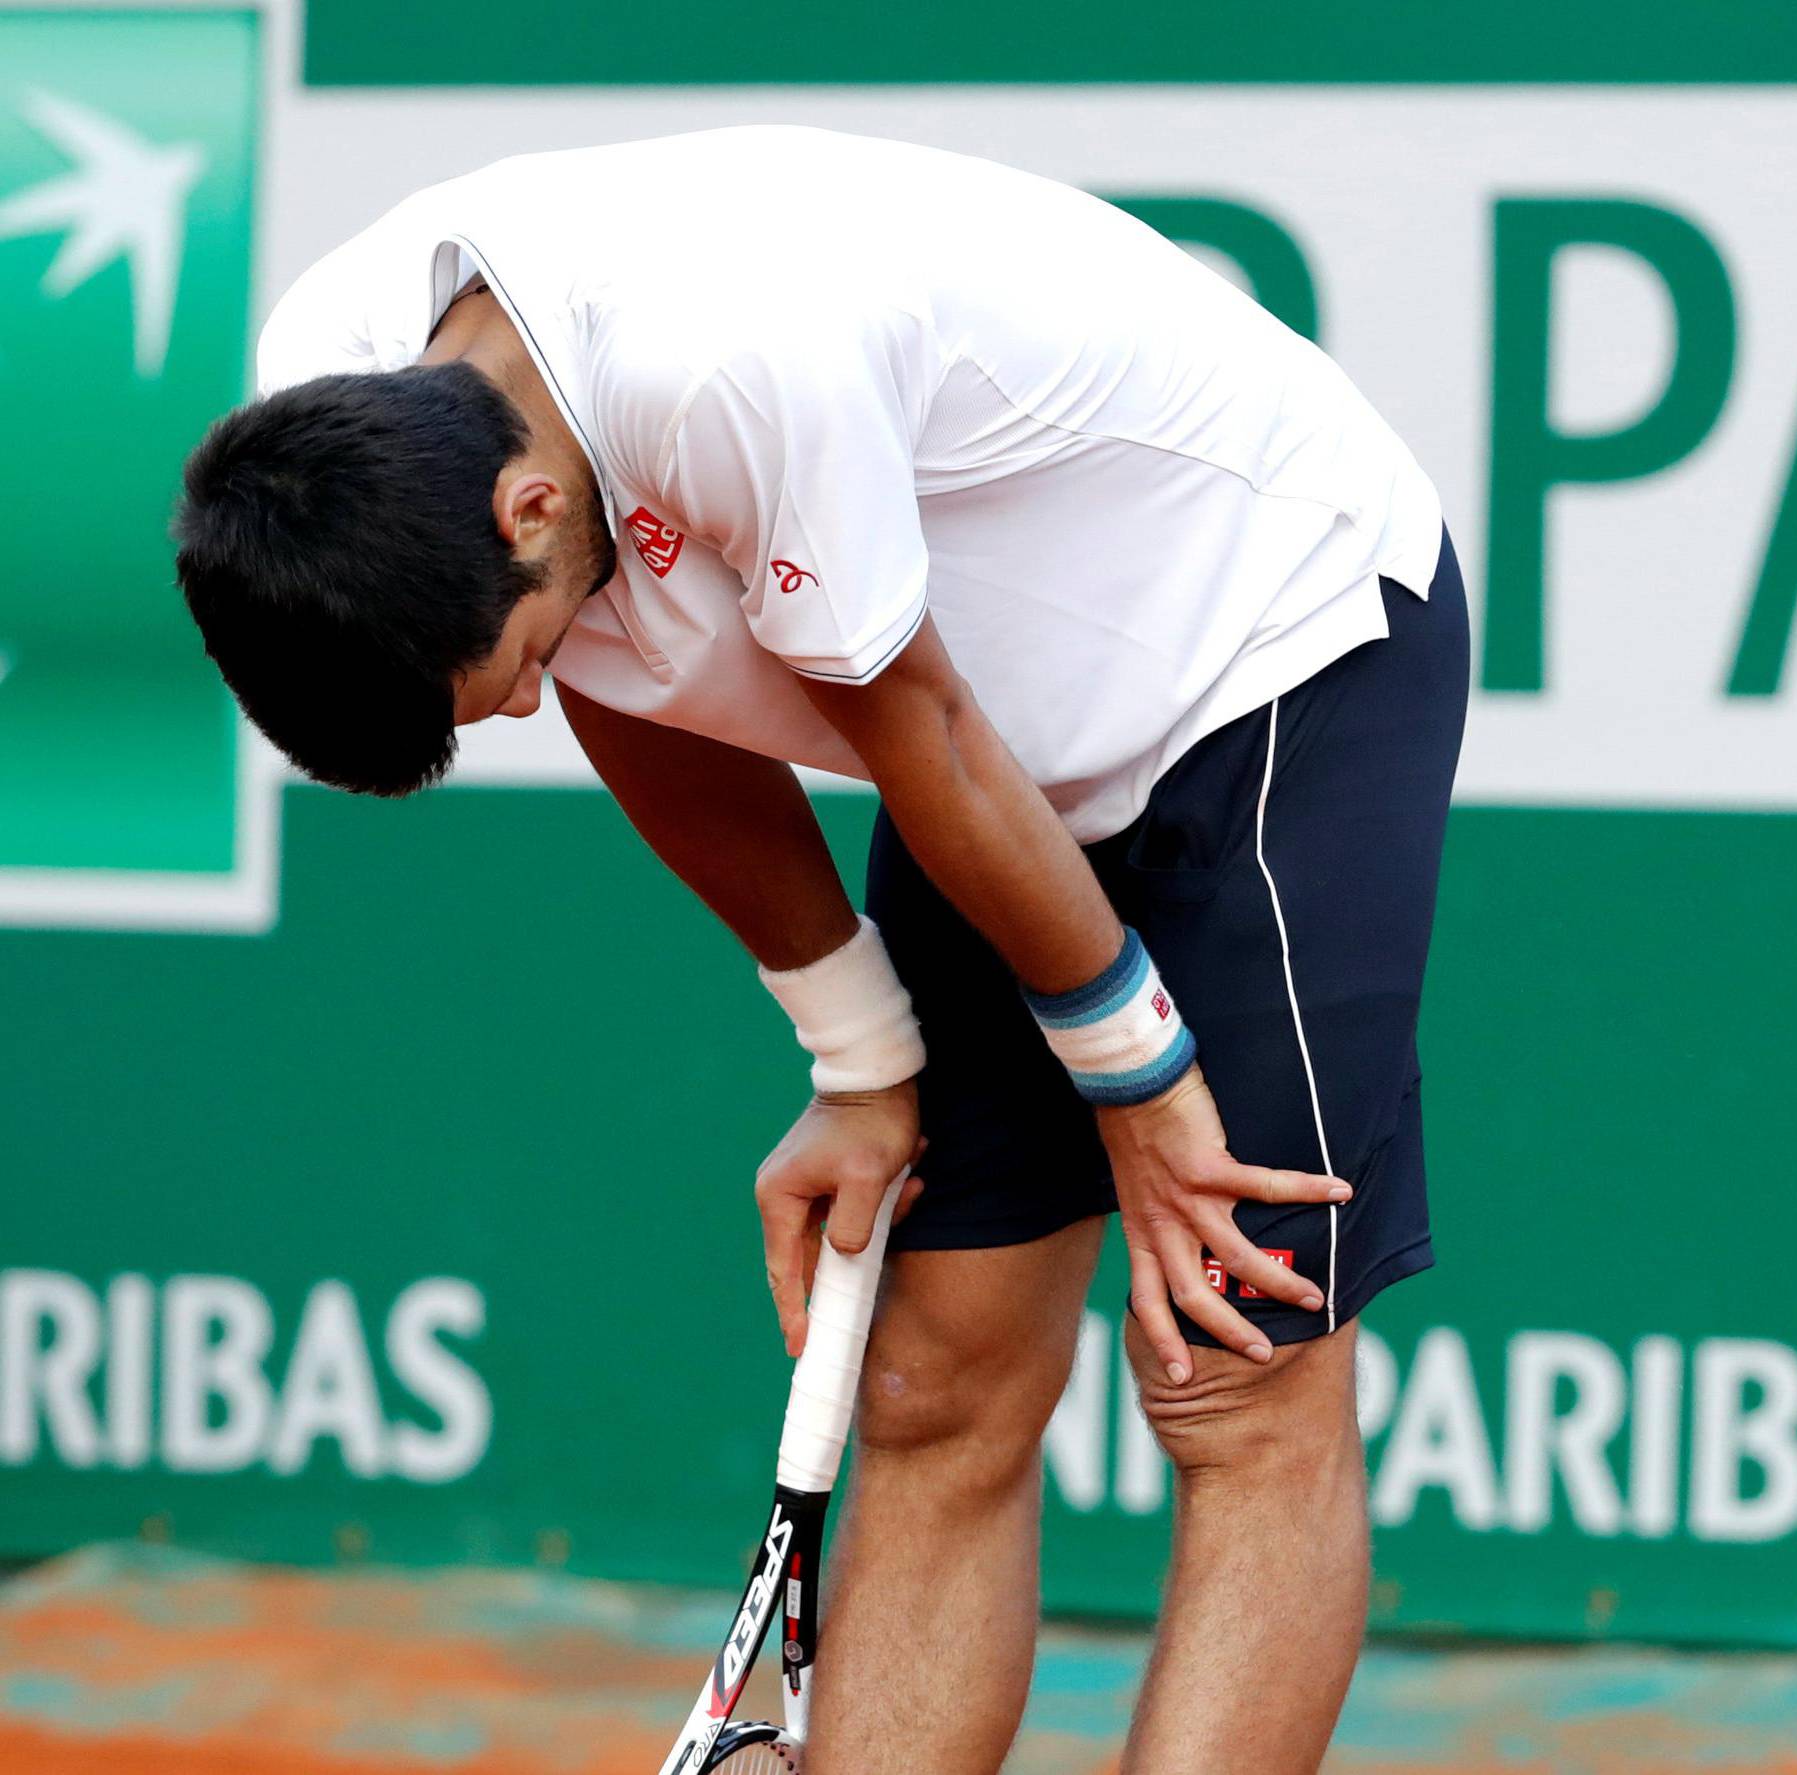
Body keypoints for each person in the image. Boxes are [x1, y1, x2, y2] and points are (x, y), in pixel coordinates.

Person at [174, 125, 1468, 1774]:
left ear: (525, 504)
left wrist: (1140, 1077)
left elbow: (909, 720)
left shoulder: (726, 363)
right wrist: (862, 1058)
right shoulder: (339, 409)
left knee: (1234, 1373)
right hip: (991, 740)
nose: (518, 705)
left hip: (1269, 642)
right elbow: (636, 689)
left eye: (494, 670)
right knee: (930, 1388)